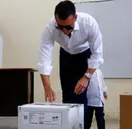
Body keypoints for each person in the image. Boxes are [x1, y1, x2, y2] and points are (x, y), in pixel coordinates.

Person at [37, 0, 104, 128]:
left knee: (80, 96)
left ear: (75, 18)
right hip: (66, 55)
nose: (64, 31)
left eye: (68, 27)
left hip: (84, 55)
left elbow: (97, 54)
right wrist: (47, 87)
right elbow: (44, 58)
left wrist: (86, 77)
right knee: (67, 96)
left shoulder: (89, 23)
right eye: (60, 27)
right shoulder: (50, 29)